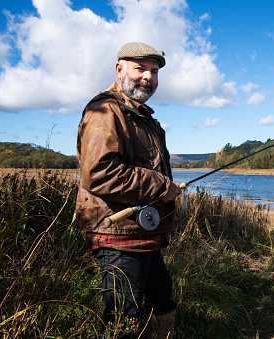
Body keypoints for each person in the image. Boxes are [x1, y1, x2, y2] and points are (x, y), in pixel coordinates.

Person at [76, 42, 182, 338]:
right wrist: (161, 186)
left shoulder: (145, 117)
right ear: (119, 69)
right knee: (124, 319)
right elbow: (99, 174)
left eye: (154, 71)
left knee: (162, 301)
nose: (148, 77)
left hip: (144, 234)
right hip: (118, 236)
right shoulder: (104, 111)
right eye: (140, 69)